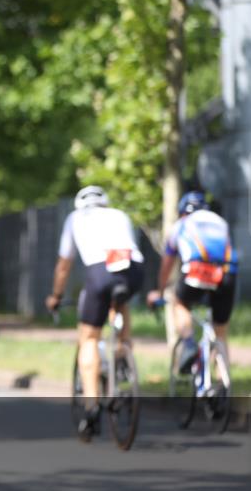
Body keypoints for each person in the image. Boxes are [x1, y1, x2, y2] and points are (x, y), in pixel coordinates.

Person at [45, 186, 145, 439]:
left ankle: (91, 407)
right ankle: (123, 353)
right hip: (133, 269)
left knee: (89, 337)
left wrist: (56, 296)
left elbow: (64, 265)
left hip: (100, 271)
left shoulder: (74, 218)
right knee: (120, 301)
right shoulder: (119, 214)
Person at [146, 191, 238, 375]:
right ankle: (222, 387)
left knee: (178, 301)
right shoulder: (220, 222)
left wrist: (161, 290)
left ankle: (188, 344)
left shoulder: (180, 225)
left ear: (182, 212)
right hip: (227, 273)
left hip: (197, 271)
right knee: (220, 333)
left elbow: (167, 264)